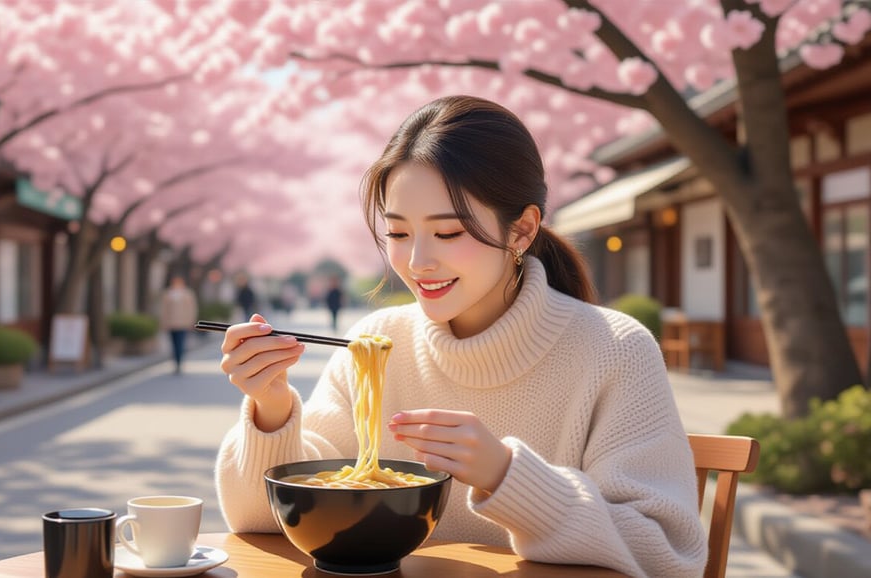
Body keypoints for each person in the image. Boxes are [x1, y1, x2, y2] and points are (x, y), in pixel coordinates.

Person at [213, 96, 707, 577]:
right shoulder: (378, 340)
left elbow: (667, 555)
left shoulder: (615, 349)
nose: (417, 261)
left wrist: (506, 475)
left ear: (522, 230)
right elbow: (259, 521)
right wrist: (271, 407)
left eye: (448, 234)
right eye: (399, 233)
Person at [160, 275, 197, 374]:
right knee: (173, 344)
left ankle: (179, 362)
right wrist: (163, 322)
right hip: (171, 323)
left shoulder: (188, 294)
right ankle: (175, 361)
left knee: (180, 343)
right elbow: (163, 310)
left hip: (183, 323)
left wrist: (191, 321)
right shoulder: (168, 294)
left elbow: (191, 309)